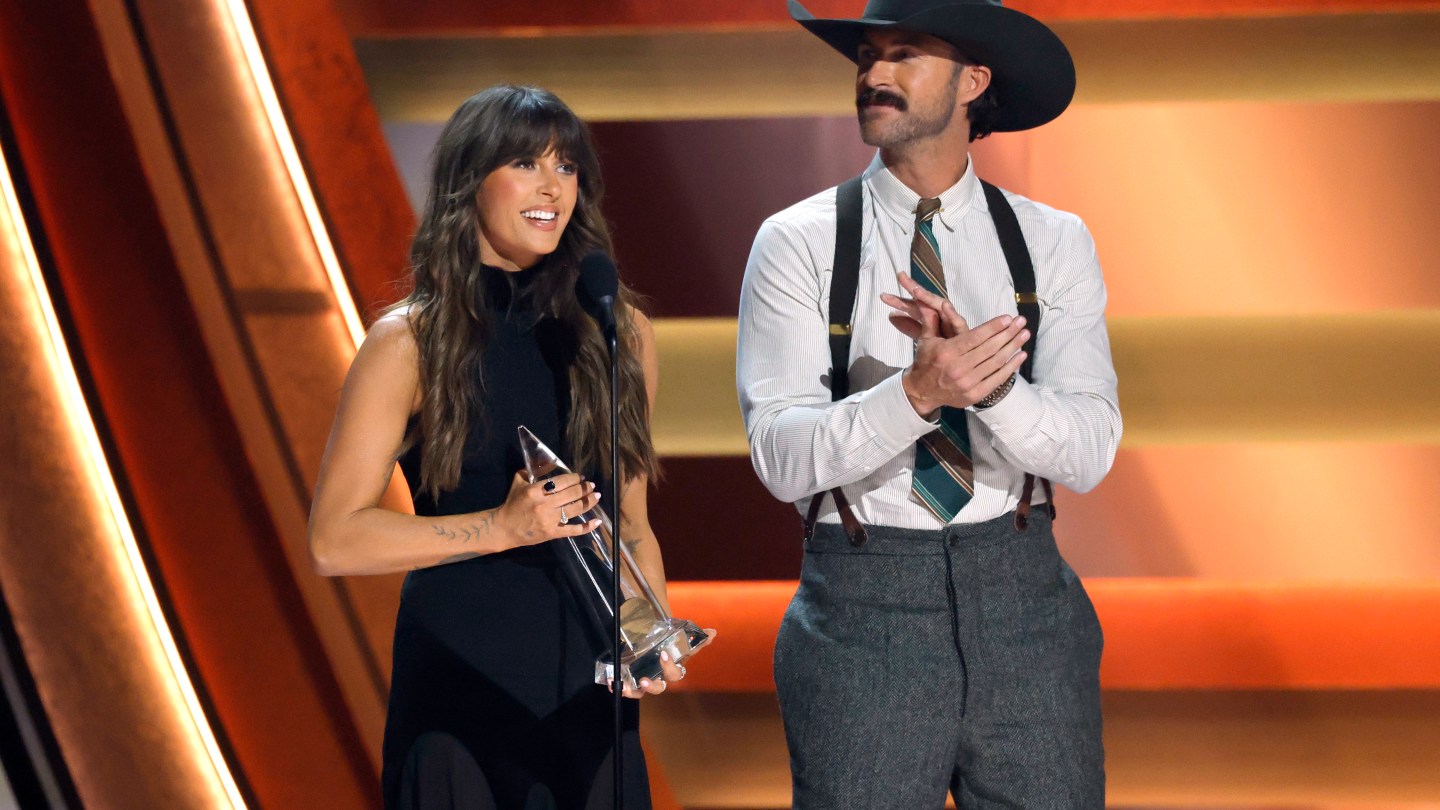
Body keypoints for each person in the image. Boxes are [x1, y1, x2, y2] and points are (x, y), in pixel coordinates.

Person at [737, 1, 1122, 807]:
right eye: (867, 56)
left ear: (972, 82)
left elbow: (1089, 452)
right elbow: (779, 458)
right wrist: (916, 394)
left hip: (1025, 606)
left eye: (904, 54)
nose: (874, 74)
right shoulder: (797, 240)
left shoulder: (1053, 240)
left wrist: (993, 390)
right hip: (860, 612)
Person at [308, 84, 687, 810]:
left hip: (590, 703)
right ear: (468, 183)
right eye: (525, 163)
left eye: (567, 167)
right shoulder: (409, 342)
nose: (553, 186)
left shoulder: (619, 332)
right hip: (462, 696)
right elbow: (334, 539)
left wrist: (647, 634)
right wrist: (502, 527)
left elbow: (631, 524)